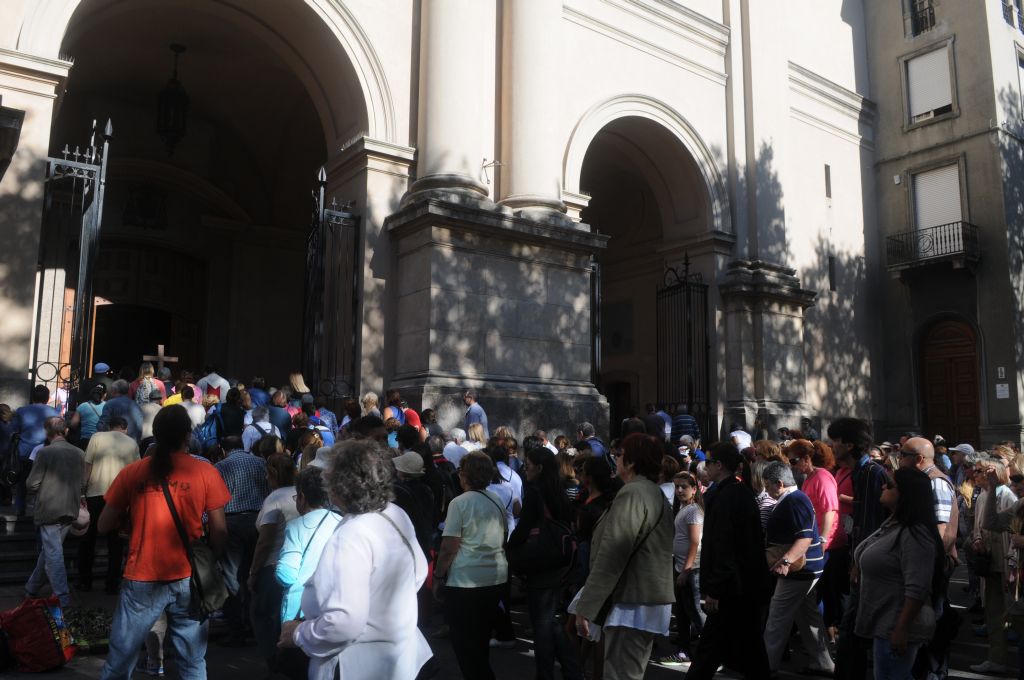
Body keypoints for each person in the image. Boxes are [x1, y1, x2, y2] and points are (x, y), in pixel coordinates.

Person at [278, 438, 431, 679]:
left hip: (358, 665)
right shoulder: (393, 513)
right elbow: (419, 569)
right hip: (397, 654)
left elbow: (344, 621)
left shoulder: (352, 534)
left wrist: (299, 633)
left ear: (340, 486)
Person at [97, 405, 230, 680]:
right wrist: (211, 560)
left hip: (141, 574)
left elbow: (103, 524)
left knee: (120, 659)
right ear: (187, 435)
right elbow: (219, 530)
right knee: (192, 661)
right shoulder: (206, 472)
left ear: (155, 435)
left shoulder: (133, 473)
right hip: (189, 576)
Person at [575, 433, 674, 680]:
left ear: (630, 462)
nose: (615, 459)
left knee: (621, 674)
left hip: (633, 601)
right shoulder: (651, 492)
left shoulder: (634, 493)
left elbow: (613, 553)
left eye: (618, 455)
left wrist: (588, 605)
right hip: (640, 598)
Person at [685, 442, 771, 679]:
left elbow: (724, 547)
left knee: (709, 651)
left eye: (709, 462)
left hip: (734, 589)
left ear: (719, 465)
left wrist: (716, 589)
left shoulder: (727, 496)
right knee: (750, 650)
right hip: (743, 586)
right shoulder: (736, 492)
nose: (706, 466)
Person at [853, 467, 944, 680]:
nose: (883, 486)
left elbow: (917, 588)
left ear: (905, 494)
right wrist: (858, 563)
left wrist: (901, 629)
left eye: (891, 485)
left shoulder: (915, 533)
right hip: (883, 620)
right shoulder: (895, 522)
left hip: (895, 623)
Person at [509, 447, 583, 680]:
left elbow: (522, 530)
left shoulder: (535, 493)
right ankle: (571, 671)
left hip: (540, 564)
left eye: (528, 464)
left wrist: (510, 548)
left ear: (539, 468)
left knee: (543, 625)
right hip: (558, 562)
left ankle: (548, 674)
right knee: (549, 622)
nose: (525, 468)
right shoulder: (558, 491)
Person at [433, 451, 509, 679]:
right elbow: (503, 535)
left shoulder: (459, 503)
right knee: (480, 642)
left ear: (466, 475)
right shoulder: (495, 499)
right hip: (495, 577)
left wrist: (438, 576)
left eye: (461, 471)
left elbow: (449, 547)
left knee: (465, 645)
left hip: (466, 582)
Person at [761, 461, 834, 675]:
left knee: (777, 617)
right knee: (807, 617)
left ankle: (766, 665)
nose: (766, 490)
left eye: (768, 485)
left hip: (799, 571)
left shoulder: (794, 501)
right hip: (806, 569)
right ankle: (823, 663)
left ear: (779, 484)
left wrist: (785, 561)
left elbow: (804, 538)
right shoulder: (794, 499)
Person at [829, 417, 887, 680]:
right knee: (855, 629)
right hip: (861, 561)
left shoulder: (872, 473)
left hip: (869, 566)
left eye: (836, 441)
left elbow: (873, 524)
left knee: (854, 629)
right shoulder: (858, 472)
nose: (832, 446)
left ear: (849, 445)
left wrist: (858, 563)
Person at [214, 435, 270, 645]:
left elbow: (215, 500)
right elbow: (267, 490)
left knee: (230, 575)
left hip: (232, 521)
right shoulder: (260, 462)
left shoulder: (221, 466)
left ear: (223, 449)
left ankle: (236, 627)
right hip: (257, 519)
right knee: (252, 572)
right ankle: (253, 623)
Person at [24, 417, 84, 608]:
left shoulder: (45, 452)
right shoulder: (79, 453)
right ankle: (32, 587)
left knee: (53, 554)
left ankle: (62, 597)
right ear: (65, 431)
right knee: (50, 552)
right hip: (70, 507)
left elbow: (31, 483)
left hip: (50, 508)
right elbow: (83, 482)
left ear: (47, 432)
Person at [249, 452, 299, 667]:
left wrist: (253, 572)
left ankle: (275, 660)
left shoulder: (274, 499)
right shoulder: (301, 494)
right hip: (300, 563)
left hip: (273, 566)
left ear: (271, 475)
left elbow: (265, 540)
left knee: (263, 614)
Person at [78, 415, 139, 593]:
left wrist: (82, 491)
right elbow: (136, 473)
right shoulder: (132, 443)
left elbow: (87, 465)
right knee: (116, 542)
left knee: (88, 539)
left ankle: (85, 581)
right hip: (120, 497)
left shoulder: (96, 437)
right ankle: (112, 583)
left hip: (95, 493)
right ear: (124, 428)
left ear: (109, 426)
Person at [968, 459, 1017, 674]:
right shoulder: (982, 497)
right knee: (993, 611)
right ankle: (996, 658)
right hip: (989, 561)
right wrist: (977, 539)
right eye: (975, 471)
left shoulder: (1006, 495)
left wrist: (1011, 561)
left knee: (1008, 611)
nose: (975, 474)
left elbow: (1011, 529)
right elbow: (979, 525)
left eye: (980, 471)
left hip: (1005, 562)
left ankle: (1001, 658)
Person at [276, 465, 341, 624]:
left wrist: (277, 566)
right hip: (333, 605)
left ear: (302, 497)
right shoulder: (341, 522)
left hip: (300, 612)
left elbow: (287, 575)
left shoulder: (296, 527)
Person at [657, 470, 705, 666]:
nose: (679, 490)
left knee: (695, 611)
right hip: (680, 566)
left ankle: (716, 652)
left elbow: (695, 542)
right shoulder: (684, 508)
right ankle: (684, 652)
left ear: (694, 489)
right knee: (684, 613)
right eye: (677, 486)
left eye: (684, 487)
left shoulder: (694, 510)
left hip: (691, 569)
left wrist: (685, 570)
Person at [12, 384, 60, 515]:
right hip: (46, 451)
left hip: (25, 451)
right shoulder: (54, 412)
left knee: (23, 480)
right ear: (47, 398)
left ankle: (19, 507)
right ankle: (40, 509)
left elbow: (14, 429)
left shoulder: (22, 411)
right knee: (45, 481)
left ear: (32, 396)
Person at [71, 383, 106, 450]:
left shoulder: (82, 406)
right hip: (102, 441)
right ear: (104, 395)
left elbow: (73, 424)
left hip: (85, 441)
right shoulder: (107, 406)